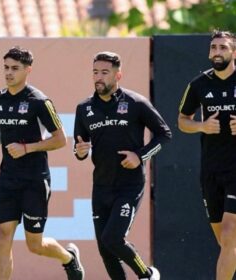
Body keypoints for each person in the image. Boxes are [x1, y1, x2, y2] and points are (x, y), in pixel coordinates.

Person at [0, 46, 84, 280]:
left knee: (34, 244)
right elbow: (1, 127)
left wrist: (27, 148)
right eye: (6, 68)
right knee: (2, 235)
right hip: (7, 178)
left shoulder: (39, 101)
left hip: (34, 180)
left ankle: (68, 258)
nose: (8, 73)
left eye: (15, 69)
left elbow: (60, 140)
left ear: (28, 70)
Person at [73, 51, 172, 280]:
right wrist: (79, 152)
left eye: (105, 73)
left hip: (129, 185)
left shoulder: (135, 103)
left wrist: (141, 156)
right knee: (105, 250)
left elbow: (164, 134)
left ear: (118, 75)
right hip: (101, 186)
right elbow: (80, 147)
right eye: (95, 72)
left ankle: (146, 275)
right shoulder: (84, 108)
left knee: (113, 239)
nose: (99, 77)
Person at [178, 30, 236, 280]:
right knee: (226, 244)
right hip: (211, 170)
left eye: (223, 47)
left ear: (233, 51)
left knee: (229, 233)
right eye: (214, 48)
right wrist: (201, 126)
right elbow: (182, 121)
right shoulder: (198, 84)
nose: (217, 52)